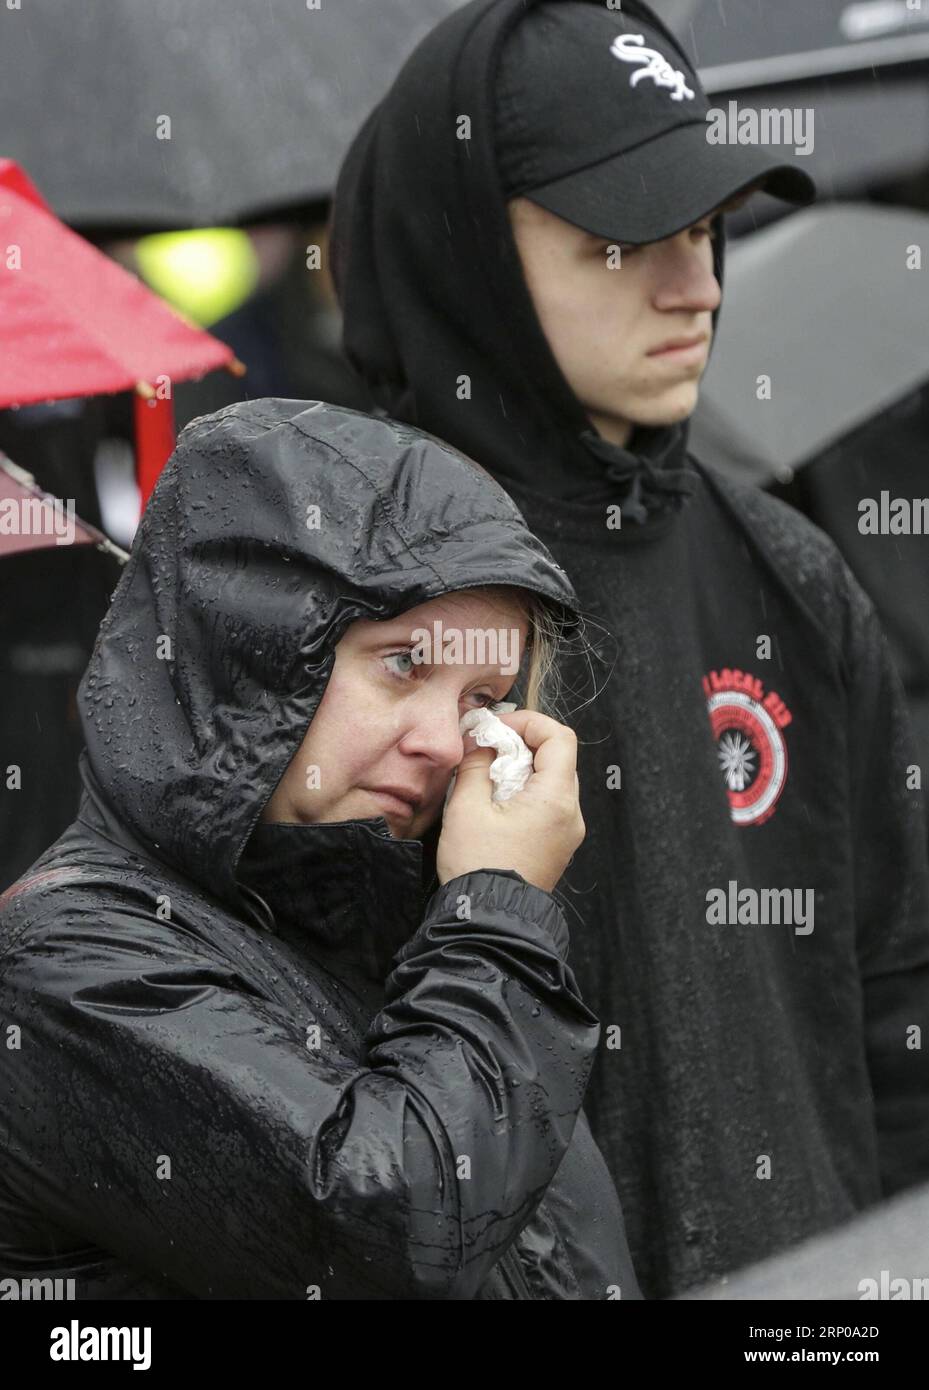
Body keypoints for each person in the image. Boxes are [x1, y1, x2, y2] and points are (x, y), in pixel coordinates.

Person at [330, 0, 929, 1297]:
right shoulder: (340, 607)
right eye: (622, 239)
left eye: (705, 222)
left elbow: (895, 997)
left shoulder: (792, 572)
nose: (694, 280)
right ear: (470, 250)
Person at [0, 398, 641, 1301]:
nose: (445, 741)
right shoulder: (66, 967)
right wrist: (496, 909)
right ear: (249, 655)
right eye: (403, 664)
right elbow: (389, 1237)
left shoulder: (425, 939)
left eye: (481, 698)